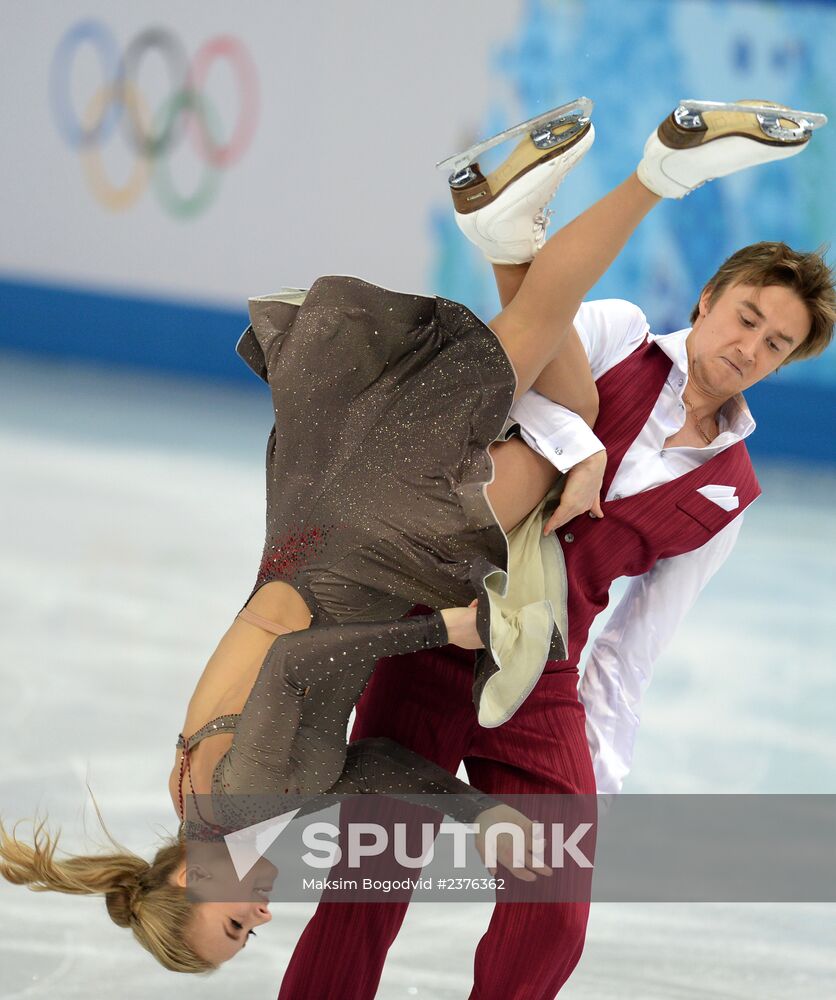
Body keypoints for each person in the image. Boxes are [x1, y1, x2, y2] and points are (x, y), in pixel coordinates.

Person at [278, 101, 835, 999]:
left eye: (777, 344)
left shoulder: (731, 493)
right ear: (708, 299)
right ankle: (529, 225)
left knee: (555, 914)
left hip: (543, 672)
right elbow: (515, 384)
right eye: (746, 317)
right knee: (366, 888)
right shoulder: (613, 334)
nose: (750, 346)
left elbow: (640, 645)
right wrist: (582, 451)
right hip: (438, 628)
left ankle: (514, 229)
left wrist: (593, 783)